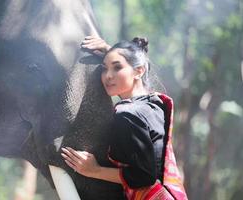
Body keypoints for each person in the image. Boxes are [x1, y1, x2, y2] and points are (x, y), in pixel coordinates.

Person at [61, 36, 187, 200]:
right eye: (104, 69)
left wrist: (95, 170)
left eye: (117, 67)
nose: (108, 76)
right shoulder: (153, 104)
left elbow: (144, 176)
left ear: (139, 71)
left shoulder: (127, 115)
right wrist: (112, 52)